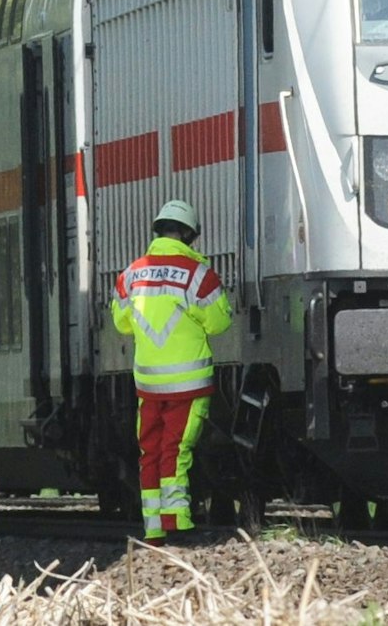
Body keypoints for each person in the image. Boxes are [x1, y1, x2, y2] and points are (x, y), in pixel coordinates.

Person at [112, 199, 232, 543]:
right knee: (175, 451)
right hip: (188, 384)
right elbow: (220, 322)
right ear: (190, 235)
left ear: (158, 231)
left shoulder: (130, 275)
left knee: (149, 452)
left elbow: (121, 323)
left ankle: (153, 528)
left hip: (148, 384)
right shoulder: (199, 275)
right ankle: (177, 521)